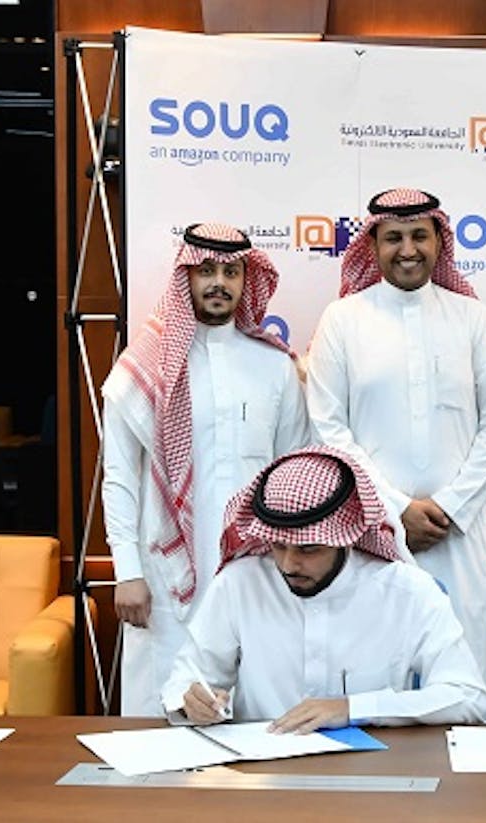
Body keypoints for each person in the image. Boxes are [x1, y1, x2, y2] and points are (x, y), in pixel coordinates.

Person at [305, 188, 486, 711]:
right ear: (373, 245)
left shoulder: (471, 317)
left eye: (419, 235)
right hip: (374, 534)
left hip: (460, 535)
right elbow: (329, 429)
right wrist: (395, 510)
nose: (407, 249)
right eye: (393, 237)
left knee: (467, 680)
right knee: (377, 679)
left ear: (438, 242)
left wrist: (450, 507)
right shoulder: (343, 319)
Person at [102, 223, 310, 716]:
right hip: (168, 572)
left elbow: (294, 471)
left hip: (256, 567)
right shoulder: (142, 368)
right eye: (206, 271)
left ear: (246, 280)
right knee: (162, 711)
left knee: (257, 710)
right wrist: (127, 571)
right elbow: (120, 478)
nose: (219, 282)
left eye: (231, 272)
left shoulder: (274, 366)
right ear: (186, 277)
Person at [162, 446, 486, 730]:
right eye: (278, 545)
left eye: (308, 549)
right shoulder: (239, 585)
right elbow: (187, 680)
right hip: (263, 775)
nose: (288, 564)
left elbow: (470, 697)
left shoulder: (407, 593)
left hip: (371, 776)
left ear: (346, 538)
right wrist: (192, 702)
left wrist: (353, 709)